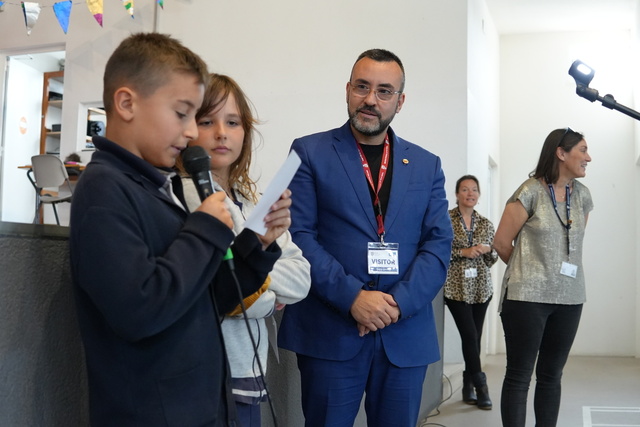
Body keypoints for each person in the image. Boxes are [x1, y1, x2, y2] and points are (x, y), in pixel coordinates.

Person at [69, 33, 292, 427]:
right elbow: (140, 309)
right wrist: (205, 228)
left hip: (199, 401)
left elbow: (209, 296)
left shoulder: (153, 187)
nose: (192, 132)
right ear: (127, 104)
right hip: (153, 412)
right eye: (182, 113)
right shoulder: (104, 189)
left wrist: (254, 245)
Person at [278, 48, 454, 426]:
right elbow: (299, 235)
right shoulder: (309, 152)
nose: (371, 99)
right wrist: (353, 297)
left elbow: (438, 245)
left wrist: (394, 304)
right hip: (331, 330)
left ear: (400, 101)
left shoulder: (427, 164)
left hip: (403, 333)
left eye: (384, 91)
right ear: (347, 90)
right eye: (362, 86)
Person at [179, 73, 311, 426]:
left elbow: (300, 278)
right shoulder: (185, 197)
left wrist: (256, 281)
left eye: (233, 122)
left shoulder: (253, 201)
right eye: (207, 121)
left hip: (250, 369)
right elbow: (228, 291)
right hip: (210, 375)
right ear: (187, 127)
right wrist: (264, 292)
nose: (221, 132)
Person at [493, 128, 593, 427]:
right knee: (520, 375)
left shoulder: (584, 197)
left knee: (552, 375)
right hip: (527, 299)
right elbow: (501, 242)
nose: (589, 157)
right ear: (561, 153)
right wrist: (532, 272)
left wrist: (553, 274)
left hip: (570, 298)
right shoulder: (530, 191)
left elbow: (571, 245)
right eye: (583, 150)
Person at [444, 174, 498, 410]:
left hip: (480, 289)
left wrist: (486, 249)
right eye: (465, 190)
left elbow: (493, 258)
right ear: (456, 194)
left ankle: (467, 384)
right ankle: (480, 384)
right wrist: (463, 253)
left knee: (474, 337)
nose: (470, 194)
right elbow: (436, 251)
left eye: (474, 190)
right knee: (469, 335)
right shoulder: (444, 220)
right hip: (456, 288)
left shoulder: (486, 223)